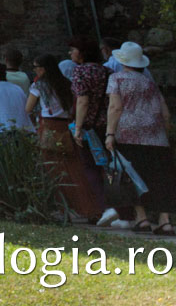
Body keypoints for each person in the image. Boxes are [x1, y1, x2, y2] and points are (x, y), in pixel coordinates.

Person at [106, 42, 175, 234]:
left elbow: (115, 107)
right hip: (156, 136)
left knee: (134, 177)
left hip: (128, 134)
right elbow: (165, 112)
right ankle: (165, 220)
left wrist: (110, 133)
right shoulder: (150, 83)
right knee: (160, 178)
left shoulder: (116, 79)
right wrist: (165, 132)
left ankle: (142, 218)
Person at [27, 54, 105, 221]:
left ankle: (64, 209)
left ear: (43, 68)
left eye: (36, 66)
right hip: (66, 127)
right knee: (75, 168)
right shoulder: (66, 84)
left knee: (53, 169)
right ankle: (90, 208)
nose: (34, 70)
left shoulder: (39, 86)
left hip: (48, 127)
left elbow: (28, 107)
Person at [67, 36, 122, 228]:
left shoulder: (80, 72)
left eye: (73, 50)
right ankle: (119, 205)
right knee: (109, 167)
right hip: (106, 125)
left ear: (82, 53)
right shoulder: (107, 71)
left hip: (89, 126)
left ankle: (102, 206)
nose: (70, 53)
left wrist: (78, 128)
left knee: (90, 167)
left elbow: (82, 100)